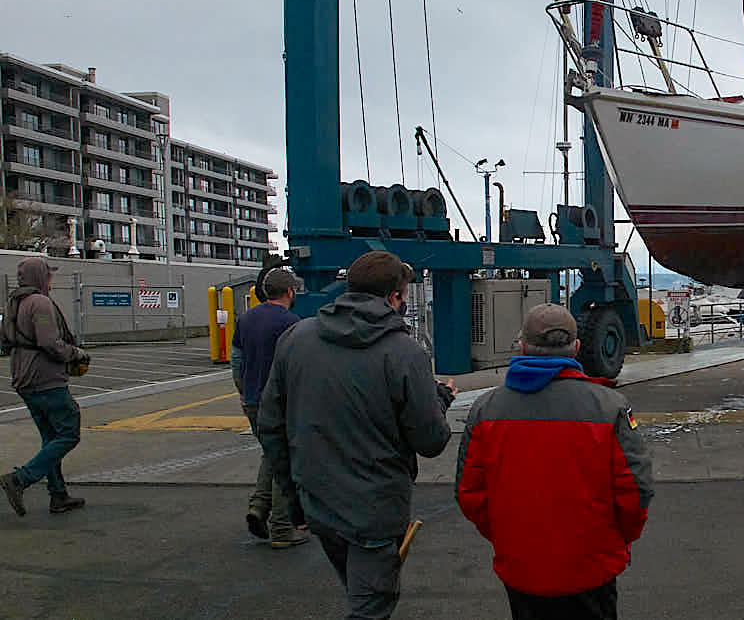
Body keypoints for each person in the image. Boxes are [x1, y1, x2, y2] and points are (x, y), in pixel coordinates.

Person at [258, 251, 456, 620]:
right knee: (371, 607)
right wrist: (440, 399)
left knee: (359, 594)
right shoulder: (404, 352)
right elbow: (431, 441)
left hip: (318, 502)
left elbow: (271, 427)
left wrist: (293, 495)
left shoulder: (296, 338)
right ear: (395, 297)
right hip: (375, 510)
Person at [456, 303, 654, 620]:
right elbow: (636, 490)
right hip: (592, 566)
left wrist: (506, 535)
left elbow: (469, 493)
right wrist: (618, 539)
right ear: (576, 348)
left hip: (521, 566)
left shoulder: (485, 409)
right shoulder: (609, 407)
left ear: (521, 345)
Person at [0, 257, 90, 517]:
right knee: (69, 432)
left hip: (23, 379)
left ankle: (58, 495)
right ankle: (20, 480)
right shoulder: (39, 302)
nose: (51, 279)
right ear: (40, 277)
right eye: (49, 275)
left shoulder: (14, 302)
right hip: (45, 379)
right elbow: (50, 343)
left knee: (51, 438)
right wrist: (76, 353)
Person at [231, 267, 307, 548]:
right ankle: (282, 529)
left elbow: (236, 360)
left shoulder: (246, 318)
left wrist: (243, 391)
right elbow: (297, 368)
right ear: (290, 292)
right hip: (280, 404)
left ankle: (258, 507)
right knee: (285, 462)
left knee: (271, 454)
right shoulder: (291, 322)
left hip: (252, 401)